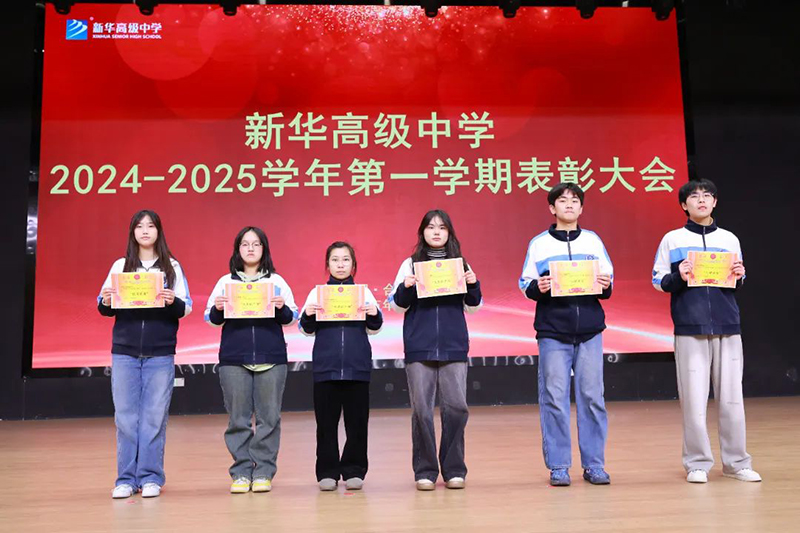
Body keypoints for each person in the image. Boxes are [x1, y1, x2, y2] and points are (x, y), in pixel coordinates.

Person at [652, 178, 760, 484]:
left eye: (707, 195)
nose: (701, 200)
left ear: (715, 202)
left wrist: (739, 275)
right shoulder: (672, 239)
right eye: (695, 196)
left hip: (728, 325)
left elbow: (736, 280)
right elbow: (658, 280)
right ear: (684, 205)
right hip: (690, 327)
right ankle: (697, 463)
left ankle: (737, 463)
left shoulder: (729, 239)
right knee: (694, 400)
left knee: (732, 399)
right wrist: (679, 275)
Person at [518, 183, 613, 487]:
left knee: (592, 398)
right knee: (554, 398)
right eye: (562, 200)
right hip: (553, 331)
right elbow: (526, 284)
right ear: (552, 208)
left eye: (574, 201)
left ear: (581, 208)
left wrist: (605, 284)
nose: (569, 205)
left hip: (590, 331)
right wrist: (539, 287)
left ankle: (594, 464)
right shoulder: (539, 244)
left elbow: (608, 282)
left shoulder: (593, 241)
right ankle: (559, 465)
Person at [98, 210, 192, 499]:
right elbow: (103, 305)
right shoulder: (121, 266)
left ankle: (151, 477)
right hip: (125, 352)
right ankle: (125, 479)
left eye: (151, 226)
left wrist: (172, 300)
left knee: (154, 417)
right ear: (133, 233)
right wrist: (107, 300)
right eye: (139, 226)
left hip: (160, 352)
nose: (145, 231)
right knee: (125, 418)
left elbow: (186, 307)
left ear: (158, 231)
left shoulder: (171, 267)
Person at [388, 209, 482, 491]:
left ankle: (454, 469)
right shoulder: (410, 264)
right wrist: (406, 287)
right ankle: (425, 470)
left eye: (442, 227)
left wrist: (473, 284)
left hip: (454, 345)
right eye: (431, 227)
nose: (437, 232)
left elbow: (473, 306)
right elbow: (397, 305)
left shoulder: (460, 263)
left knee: (457, 408)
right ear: (423, 232)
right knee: (422, 411)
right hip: (420, 346)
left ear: (449, 232)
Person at [204, 226, 298, 493]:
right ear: (237, 250)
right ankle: (241, 473)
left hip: (272, 357)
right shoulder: (226, 282)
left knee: (269, 418)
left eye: (256, 244)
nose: (250, 249)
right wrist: (218, 308)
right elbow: (210, 318)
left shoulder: (277, 282)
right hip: (234, 358)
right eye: (245, 244)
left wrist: (281, 308)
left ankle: (264, 472)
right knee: (238, 419)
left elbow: (293, 317)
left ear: (264, 249)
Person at [299, 241, 383, 491]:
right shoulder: (317, 294)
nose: (340, 264)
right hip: (326, 368)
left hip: (357, 367)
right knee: (326, 425)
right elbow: (306, 329)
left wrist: (373, 312)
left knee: (357, 424)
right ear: (327, 265)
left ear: (353, 264)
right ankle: (327, 471)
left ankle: (354, 469)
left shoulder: (363, 293)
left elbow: (375, 327)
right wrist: (309, 314)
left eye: (346, 259)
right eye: (335, 260)